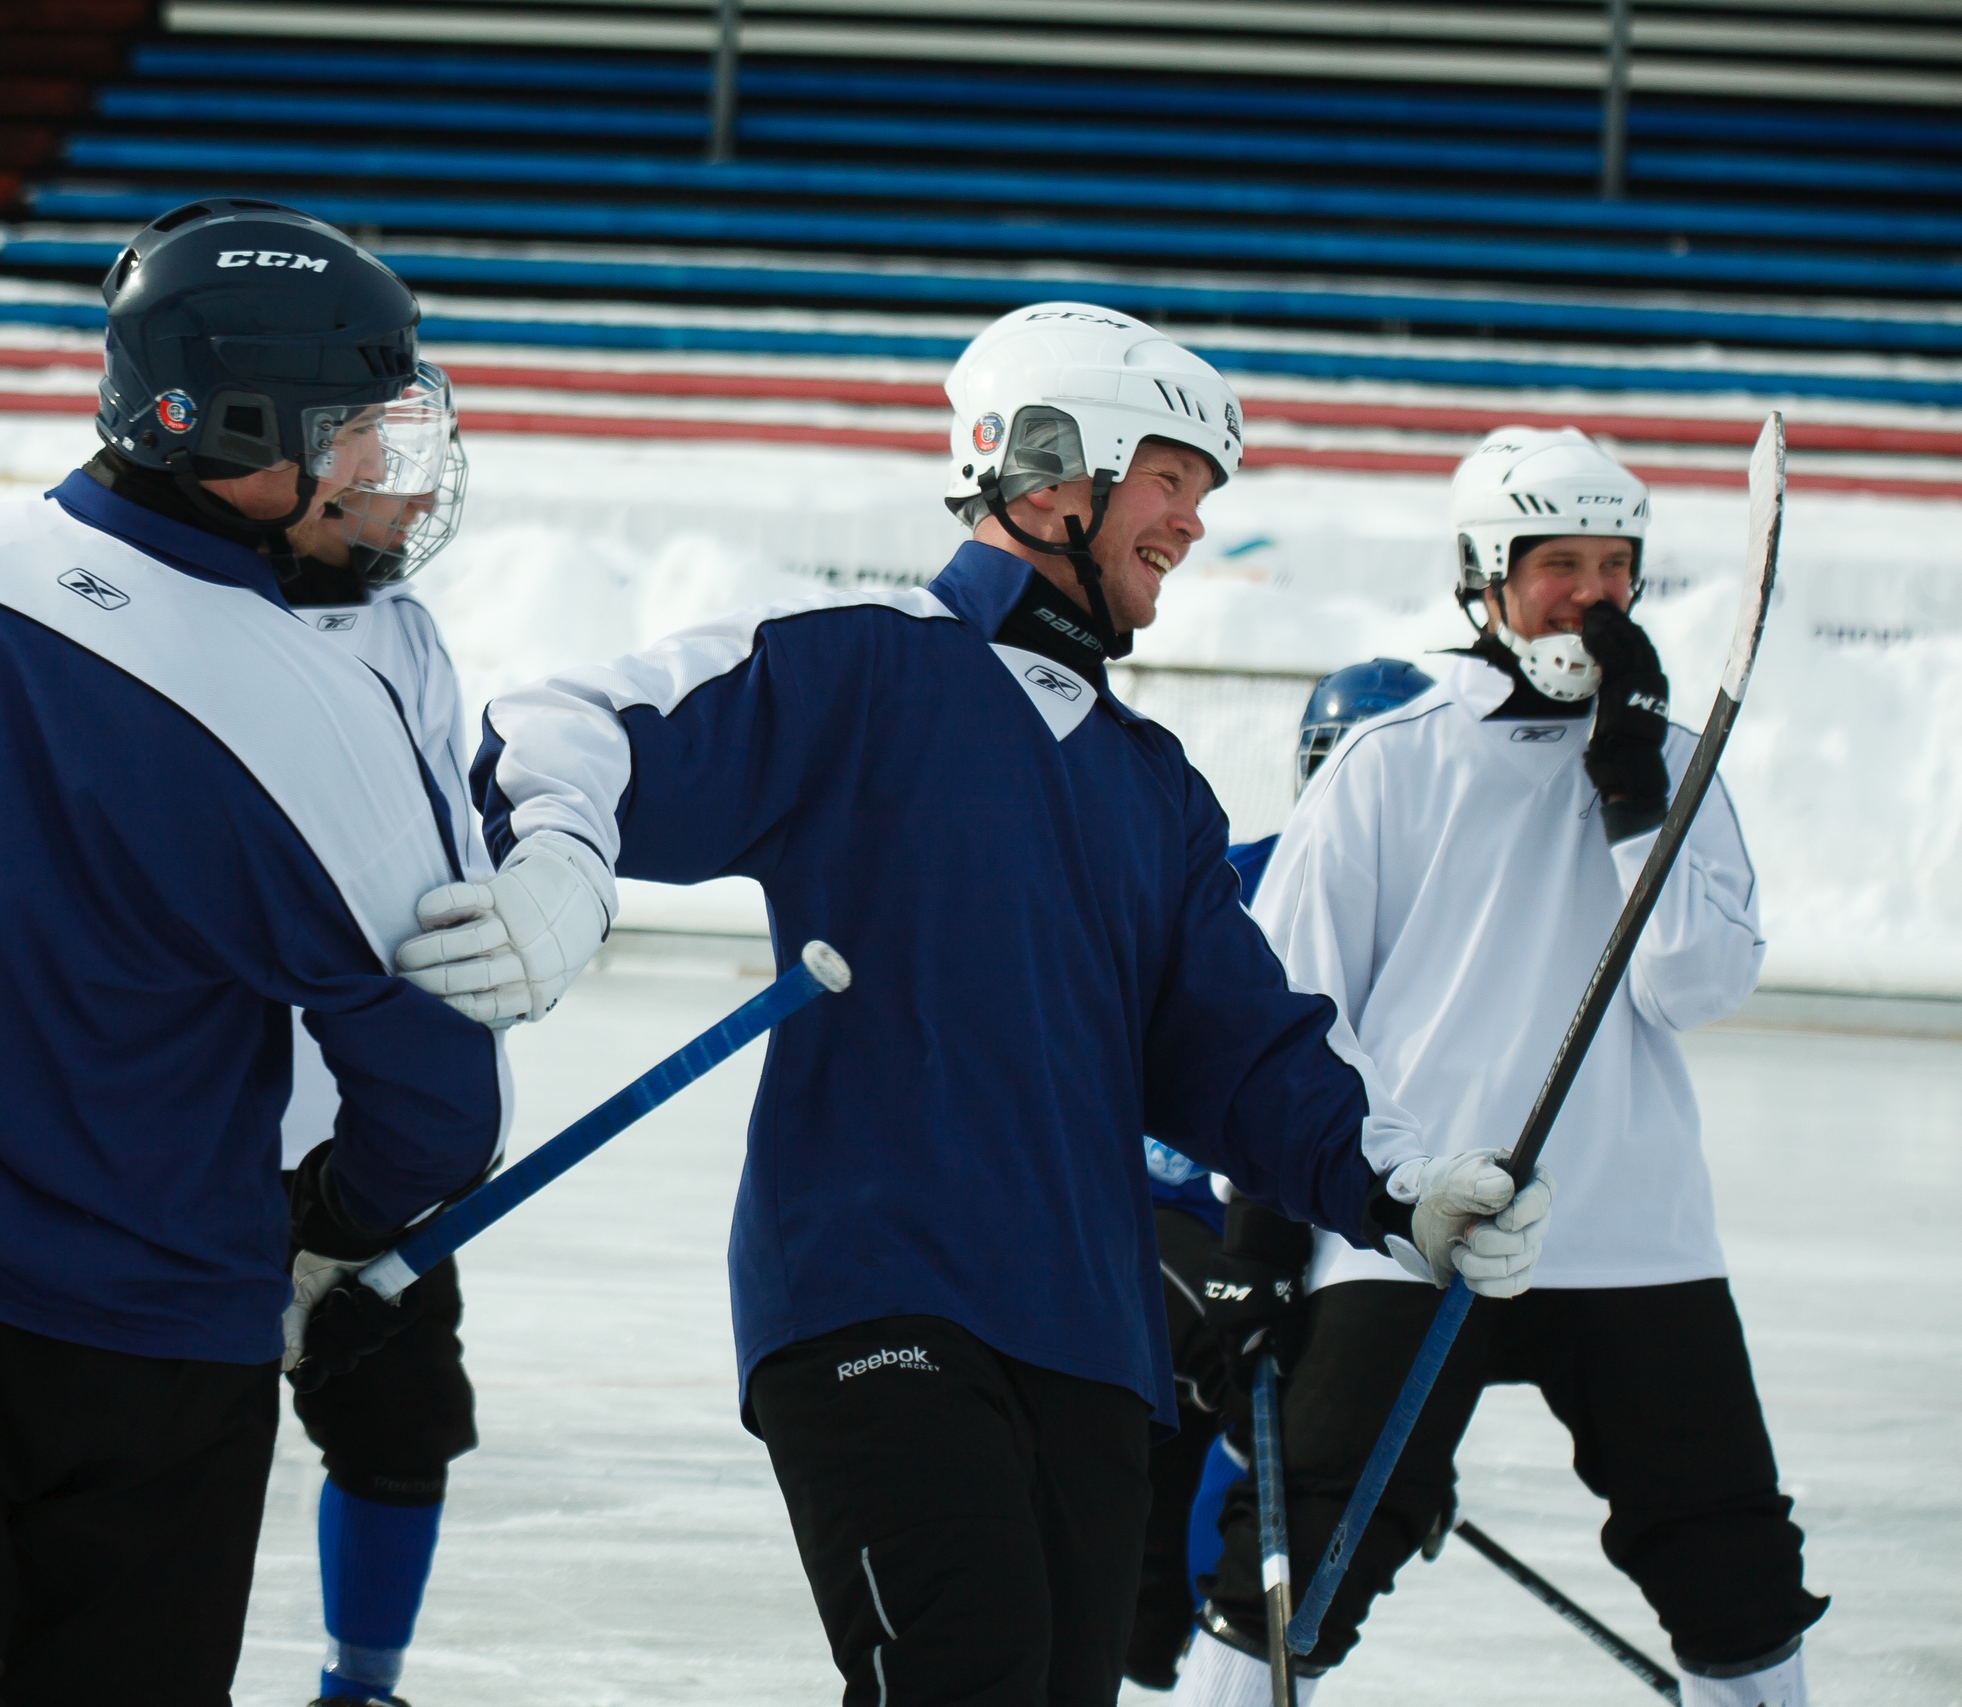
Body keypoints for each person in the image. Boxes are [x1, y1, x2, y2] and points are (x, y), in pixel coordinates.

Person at [394, 302, 1556, 1707]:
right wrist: (563, 866)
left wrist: (1398, 1181)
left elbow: (1240, 1049)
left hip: (1091, 1339)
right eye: (1171, 480)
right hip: (877, 1297)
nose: (1192, 523)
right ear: (1056, 470)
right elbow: (566, 726)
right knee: (963, 1676)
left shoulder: (1153, 787)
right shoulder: (868, 664)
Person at [0, 200, 508, 1706]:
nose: (388, 469)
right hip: (150, 1357)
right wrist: (327, 1216)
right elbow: (438, 1101)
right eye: (356, 431)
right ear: (235, 428)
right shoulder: (307, 711)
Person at [1173, 429, 1826, 1707]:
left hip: (1633, 1233)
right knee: (1303, 1553)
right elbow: (1285, 1006)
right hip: (1414, 1226)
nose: (1592, 595)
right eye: (1557, 565)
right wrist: (1260, 1240)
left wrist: (1633, 796)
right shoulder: (1393, 758)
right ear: (1485, 573)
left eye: (1614, 566)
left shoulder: (1677, 762)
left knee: (1730, 1563)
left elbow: (1694, 984)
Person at [1125, 659, 1433, 1691]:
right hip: (1164, 1213)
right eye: (1332, 761)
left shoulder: (1442, 925)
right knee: (1235, 1402)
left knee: (1306, 1434)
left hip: (1302, 1230)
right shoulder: (1231, 880)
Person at [271, 418, 486, 1707]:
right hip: (200, 1135)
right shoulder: (177, 623)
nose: (412, 496)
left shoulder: (403, 630)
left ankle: (361, 1688)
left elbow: (444, 845)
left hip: (377, 1141)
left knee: (401, 1426)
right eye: (376, 463)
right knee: (143, 1442)